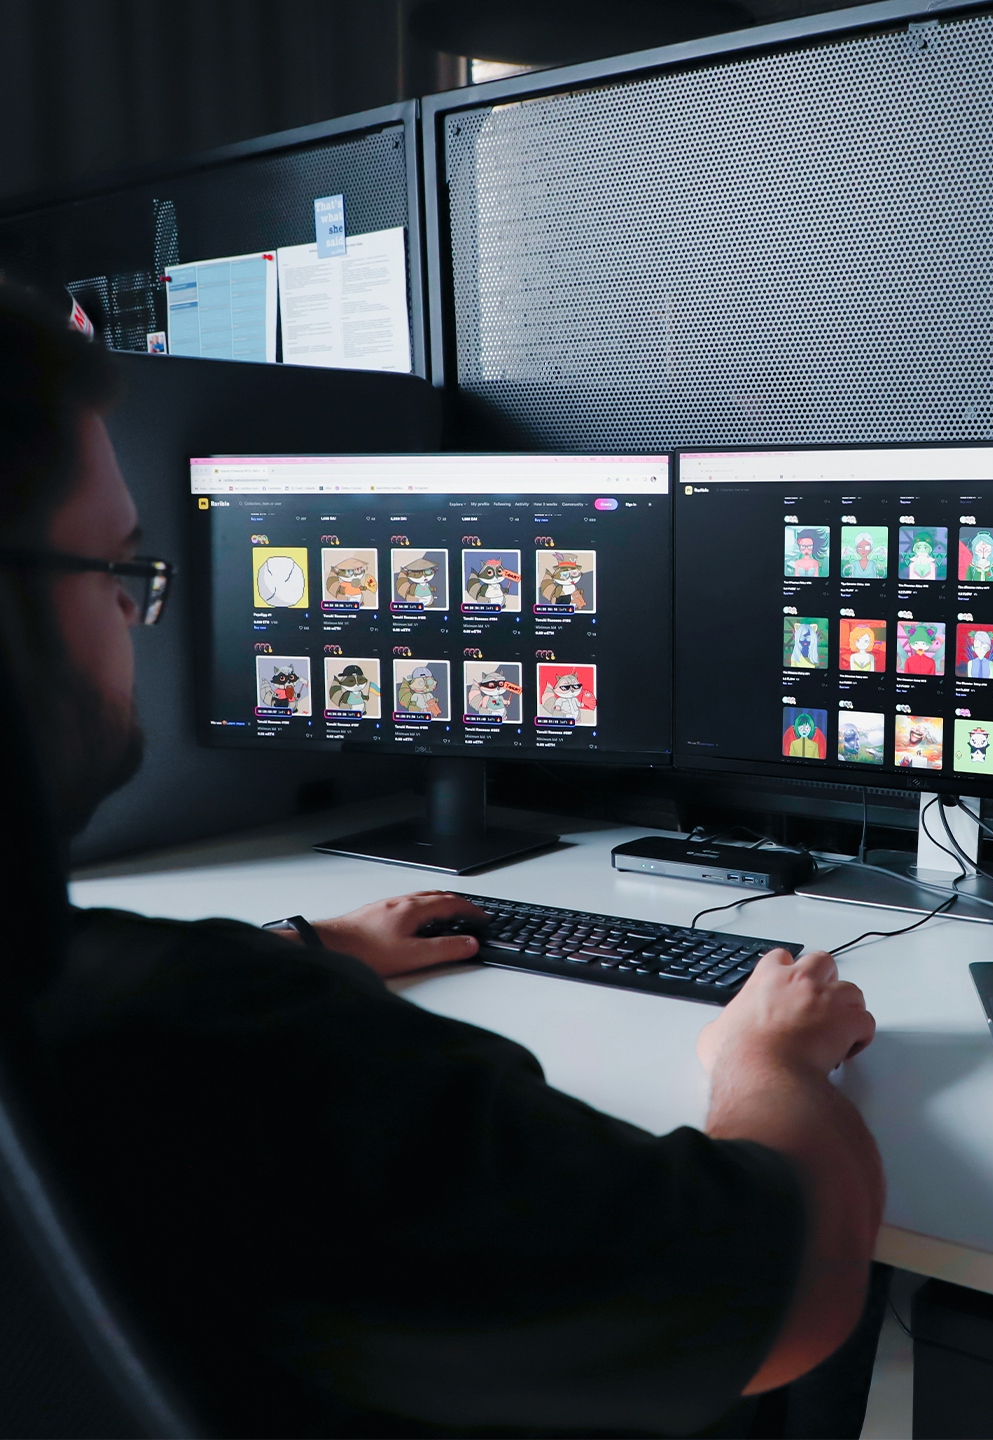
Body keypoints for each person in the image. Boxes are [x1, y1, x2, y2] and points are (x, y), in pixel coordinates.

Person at [0, 283, 885, 1437]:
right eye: (112, 570)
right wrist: (771, 1066)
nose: (131, 615)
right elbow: (794, 1300)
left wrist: (307, 948)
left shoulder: (94, 1000)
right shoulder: (218, 1044)